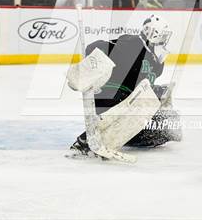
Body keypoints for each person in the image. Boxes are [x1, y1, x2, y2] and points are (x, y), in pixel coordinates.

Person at [68, 15, 182, 156]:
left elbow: (144, 85)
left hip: (130, 104)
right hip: (112, 97)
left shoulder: (157, 63)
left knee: (167, 125)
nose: (165, 40)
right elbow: (95, 47)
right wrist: (89, 67)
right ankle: (87, 140)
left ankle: (120, 137)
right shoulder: (132, 43)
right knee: (143, 103)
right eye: (163, 35)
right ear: (153, 33)